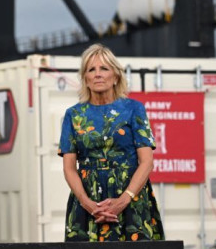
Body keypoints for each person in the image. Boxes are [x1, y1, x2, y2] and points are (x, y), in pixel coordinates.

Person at [58, 43, 165, 242]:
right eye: (91, 69)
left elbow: (146, 162)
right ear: (85, 79)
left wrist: (124, 200)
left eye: (104, 68)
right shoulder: (73, 115)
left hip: (131, 202)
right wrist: (88, 204)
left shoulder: (134, 109)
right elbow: (69, 168)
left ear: (115, 77)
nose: (98, 74)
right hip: (86, 204)